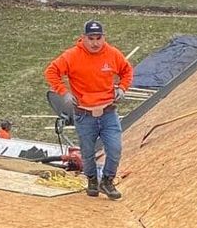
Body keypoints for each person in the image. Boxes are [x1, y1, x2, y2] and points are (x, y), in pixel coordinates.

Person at [44, 19, 134, 199]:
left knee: (115, 148)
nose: (95, 42)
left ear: (103, 37)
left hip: (108, 112)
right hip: (84, 115)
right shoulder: (72, 56)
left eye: (98, 38)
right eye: (91, 38)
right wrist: (64, 92)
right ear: (83, 38)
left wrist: (123, 88)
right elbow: (51, 72)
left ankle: (107, 181)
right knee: (87, 152)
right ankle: (92, 180)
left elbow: (127, 71)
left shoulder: (112, 54)